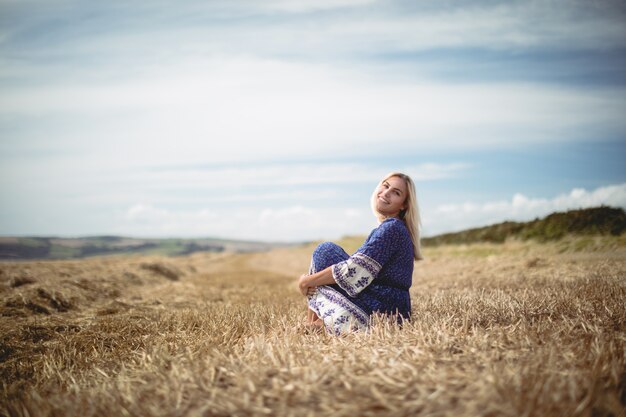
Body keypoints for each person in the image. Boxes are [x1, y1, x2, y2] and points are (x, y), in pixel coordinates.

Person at [298, 172, 424, 335]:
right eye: (385, 186)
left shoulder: (392, 228)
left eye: (396, 193)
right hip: (388, 306)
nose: (386, 193)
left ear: (404, 205)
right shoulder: (391, 228)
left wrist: (307, 281)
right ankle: (317, 323)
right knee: (328, 261)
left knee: (325, 251)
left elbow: (354, 270)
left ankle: (315, 324)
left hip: (384, 309)